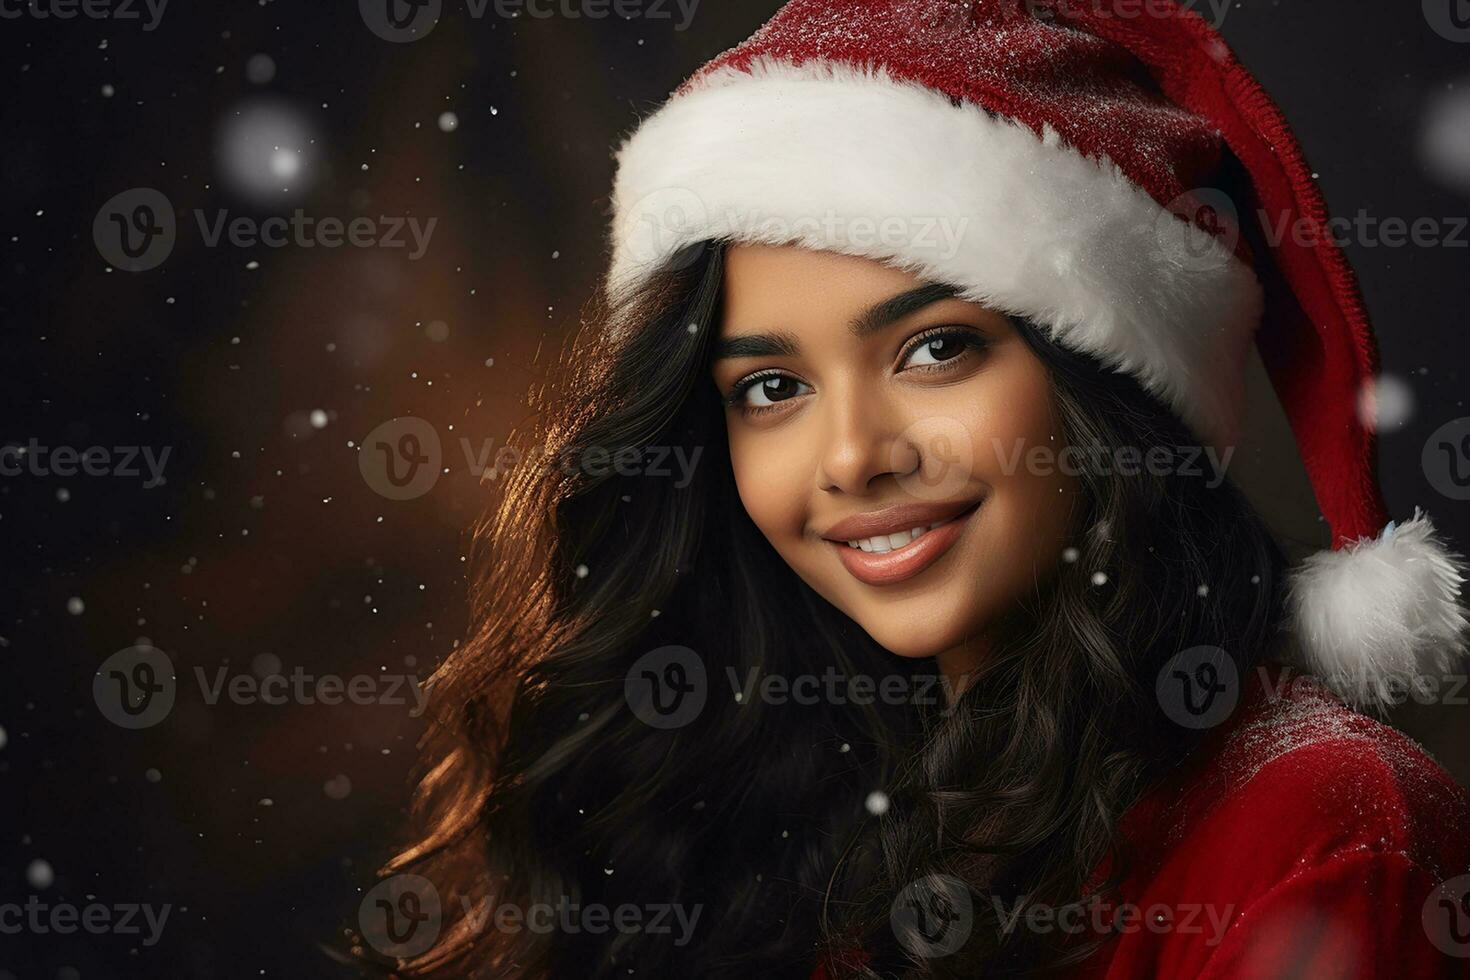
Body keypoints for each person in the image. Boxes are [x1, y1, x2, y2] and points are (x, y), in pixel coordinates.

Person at [383, 1, 1470, 976]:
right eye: (771, 385)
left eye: (936, 350)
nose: (852, 455)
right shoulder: (782, 821)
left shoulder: (1318, 825)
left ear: (1111, 379)